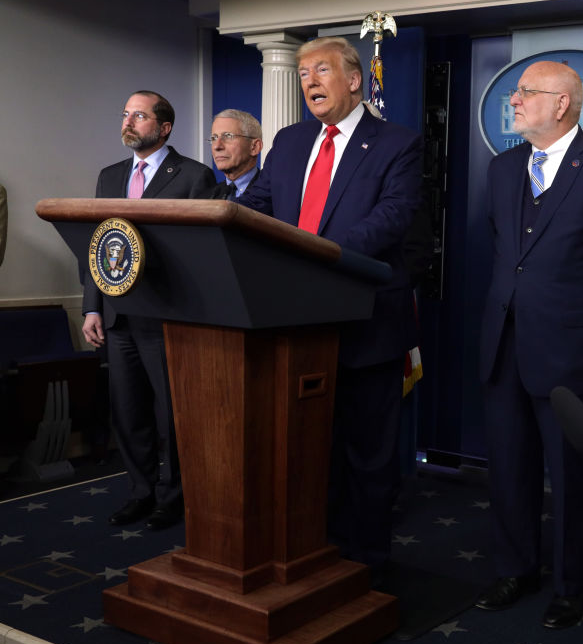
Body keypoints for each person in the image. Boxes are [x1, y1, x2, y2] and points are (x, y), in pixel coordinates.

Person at [474, 60, 583, 629]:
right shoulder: (502, 169)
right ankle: (515, 569)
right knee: (508, 469)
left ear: (563, 104)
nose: (515, 101)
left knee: (572, 480)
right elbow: (506, 255)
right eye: (515, 92)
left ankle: (571, 586)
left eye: (527, 92)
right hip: (504, 346)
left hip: (576, 355)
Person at [236, 37, 422, 570]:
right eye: (301, 74)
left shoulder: (396, 143)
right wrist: (216, 217)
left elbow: (392, 217)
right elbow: (258, 206)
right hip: (297, 323)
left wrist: (320, 255)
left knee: (367, 452)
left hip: (365, 322)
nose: (310, 82)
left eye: (321, 70)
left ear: (355, 79)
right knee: (309, 449)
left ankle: (366, 563)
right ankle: (315, 555)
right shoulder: (291, 141)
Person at [83, 90, 215, 530]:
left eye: (139, 115)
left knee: (170, 416)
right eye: (125, 114)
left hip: (168, 319)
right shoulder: (109, 176)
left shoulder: (194, 176)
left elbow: (202, 255)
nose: (129, 121)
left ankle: (173, 497)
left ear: (164, 127)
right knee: (129, 413)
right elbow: (97, 247)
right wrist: (91, 308)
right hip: (118, 318)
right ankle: (141, 492)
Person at [207, 109, 262, 200]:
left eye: (228, 136)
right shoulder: (209, 196)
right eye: (214, 138)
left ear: (255, 147)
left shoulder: (273, 193)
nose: (217, 146)